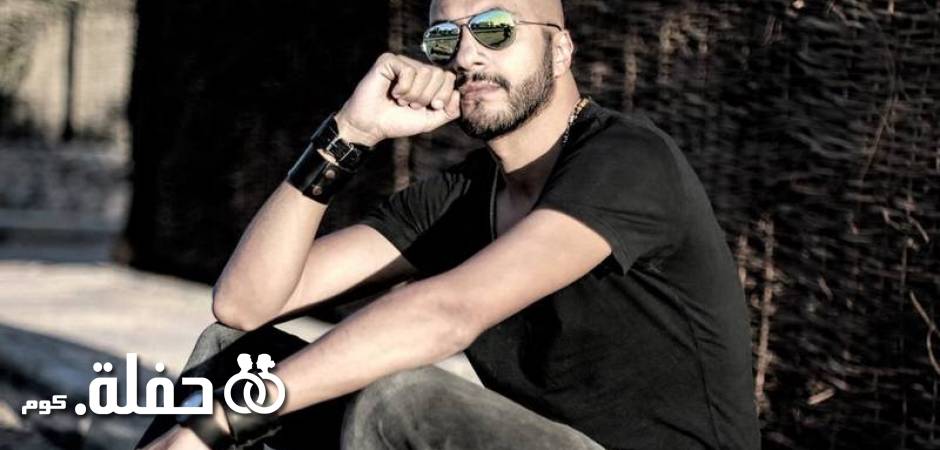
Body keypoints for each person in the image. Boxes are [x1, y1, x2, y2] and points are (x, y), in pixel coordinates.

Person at [137, 0, 761, 449]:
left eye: (494, 29)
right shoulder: (464, 195)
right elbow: (245, 303)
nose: (467, 56)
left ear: (561, 49)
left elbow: (447, 314)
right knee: (234, 359)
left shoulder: (628, 161)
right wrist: (350, 133)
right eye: (444, 38)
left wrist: (214, 427)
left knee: (400, 400)